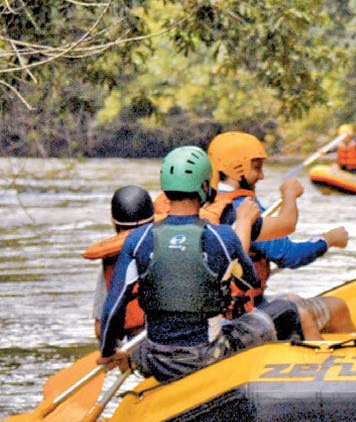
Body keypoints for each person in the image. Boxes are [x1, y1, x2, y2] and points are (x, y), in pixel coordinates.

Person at [99, 146, 315, 383]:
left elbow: (112, 309)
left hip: (155, 359)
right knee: (287, 311)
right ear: (204, 186)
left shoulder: (137, 240)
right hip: (207, 356)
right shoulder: (222, 237)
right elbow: (249, 280)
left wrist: (108, 352)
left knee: (142, 348)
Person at [204, 131, 354, 334]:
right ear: (235, 169)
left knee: (292, 298)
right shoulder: (244, 208)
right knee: (337, 307)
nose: (262, 176)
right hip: (245, 314)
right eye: (256, 168)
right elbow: (290, 255)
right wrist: (328, 240)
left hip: (223, 312)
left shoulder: (205, 204)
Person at [85, 185, 163, 340]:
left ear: (113, 223)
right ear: (154, 220)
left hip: (138, 344)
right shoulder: (172, 245)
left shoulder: (112, 262)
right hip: (182, 334)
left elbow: (101, 330)